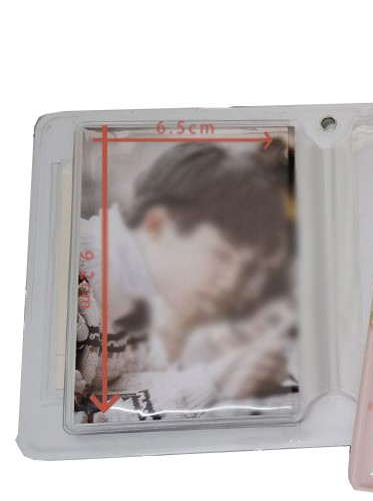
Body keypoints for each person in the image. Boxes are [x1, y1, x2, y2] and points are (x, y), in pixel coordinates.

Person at [74, 140, 294, 423]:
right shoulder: (69, 283)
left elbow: (124, 382)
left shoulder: (142, 294)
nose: (230, 283)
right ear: (157, 225)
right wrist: (212, 382)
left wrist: (216, 354)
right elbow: (78, 424)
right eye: (221, 256)